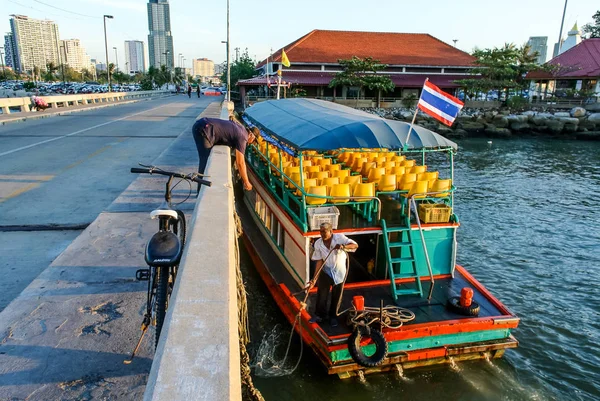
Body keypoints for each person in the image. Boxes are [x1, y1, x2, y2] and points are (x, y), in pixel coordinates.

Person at [309, 222, 358, 327]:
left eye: (324, 231)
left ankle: (333, 316)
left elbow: (355, 245)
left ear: (331, 231)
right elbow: (319, 262)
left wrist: (343, 247)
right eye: (320, 231)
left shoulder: (339, 238)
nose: (322, 234)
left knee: (336, 296)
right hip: (326, 271)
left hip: (339, 273)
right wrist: (314, 279)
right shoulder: (318, 244)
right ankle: (319, 315)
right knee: (322, 295)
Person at [192, 117, 258, 192]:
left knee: (205, 161)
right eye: (254, 141)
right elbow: (240, 163)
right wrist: (246, 182)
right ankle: (200, 191)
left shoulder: (241, 128)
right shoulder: (243, 137)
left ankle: (200, 189)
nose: (251, 143)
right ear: (251, 135)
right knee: (205, 162)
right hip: (204, 129)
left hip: (202, 124)